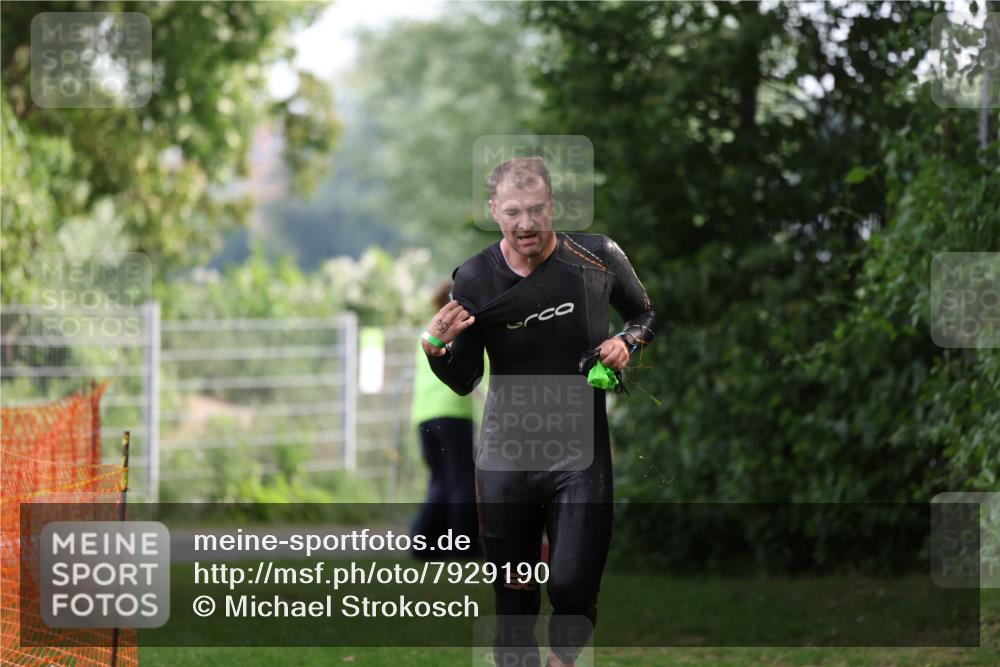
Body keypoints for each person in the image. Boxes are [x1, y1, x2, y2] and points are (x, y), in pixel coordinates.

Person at [419, 157, 657, 667]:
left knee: (572, 587)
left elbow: (645, 313)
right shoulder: (475, 278)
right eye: (512, 212)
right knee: (514, 599)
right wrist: (437, 351)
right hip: (507, 457)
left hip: (581, 453)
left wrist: (626, 342)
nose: (525, 224)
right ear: (493, 211)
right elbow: (465, 379)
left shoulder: (596, 258)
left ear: (552, 206)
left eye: (534, 210)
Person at [409, 280, 484, 560]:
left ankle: (424, 543)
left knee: (441, 480)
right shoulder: (460, 334)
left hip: (424, 415)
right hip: (452, 414)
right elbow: (476, 374)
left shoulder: (429, 332)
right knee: (462, 481)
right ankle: (463, 546)